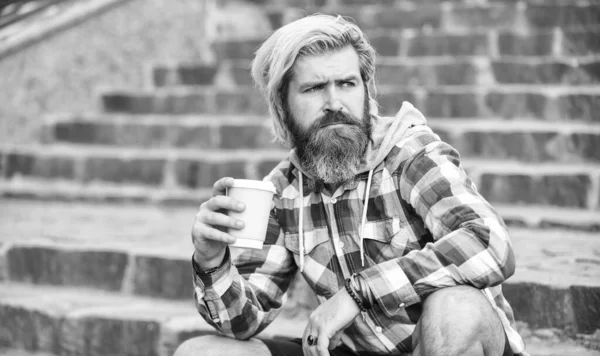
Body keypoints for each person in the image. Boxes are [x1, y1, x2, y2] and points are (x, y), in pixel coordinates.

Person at [175, 14, 528, 356]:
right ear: (281, 107)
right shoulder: (284, 190)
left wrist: (358, 294)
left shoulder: (410, 155)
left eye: (346, 84)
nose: (334, 104)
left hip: (438, 345)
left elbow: (490, 242)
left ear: (366, 89)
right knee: (199, 351)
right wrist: (211, 260)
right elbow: (243, 323)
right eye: (314, 88)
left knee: (458, 309)